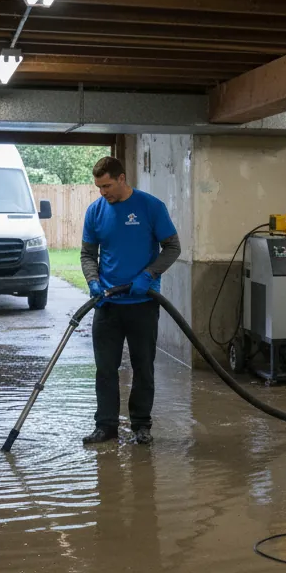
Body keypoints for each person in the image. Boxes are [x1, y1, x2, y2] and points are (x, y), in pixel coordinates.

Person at [80, 156, 182, 446]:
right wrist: (92, 281)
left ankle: (141, 426)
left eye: (107, 186)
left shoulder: (151, 207)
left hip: (142, 302)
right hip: (107, 304)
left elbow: (172, 247)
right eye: (99, 187)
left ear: (122, 178)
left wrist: (149, 275)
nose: (103, 192)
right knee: (105, 369)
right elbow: (88, 254)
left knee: (143, 366)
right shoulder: (96, 211)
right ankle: (106, 427)